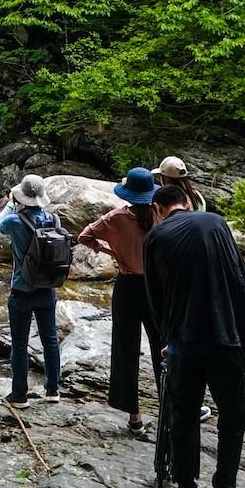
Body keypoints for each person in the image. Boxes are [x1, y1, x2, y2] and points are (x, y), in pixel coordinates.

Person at [144, 185, 245, 488]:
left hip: (184, 344)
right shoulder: (215, 222)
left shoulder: (155, 237)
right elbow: (240, 280)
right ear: (187, 203)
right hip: (225, 340)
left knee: (183, 417)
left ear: (158, 208)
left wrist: (167, 338)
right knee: (234, 418)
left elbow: (154, 297)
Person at [78, 167, 162, 435]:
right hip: (156, 287)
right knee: (163, 347)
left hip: (127, 286)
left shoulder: (114, 219)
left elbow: (84, 236)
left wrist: (108, 250)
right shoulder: (161, 216)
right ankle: (171, 406)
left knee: (125, 349)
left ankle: (134, 416)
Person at [0, 173, 67, 405]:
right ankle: (53, 390)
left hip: (22, 290)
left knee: (20, 343)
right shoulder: (54, 220)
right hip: (47, 288)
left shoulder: (15, 221)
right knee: (50, 339)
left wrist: (10, 205)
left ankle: (19, 394)